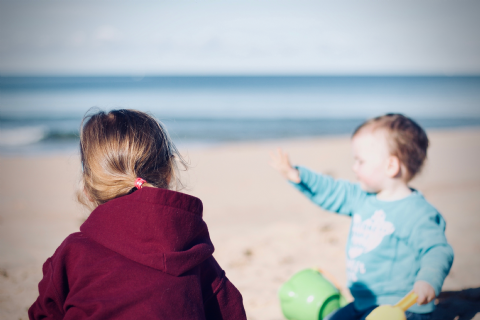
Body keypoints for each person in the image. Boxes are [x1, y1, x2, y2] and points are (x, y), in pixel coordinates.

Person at [29, 109, 246, 320]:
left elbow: (44, 313)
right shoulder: (193, 253)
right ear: (169, 172)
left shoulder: (73, 252)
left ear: (88, 187)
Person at [270, 114, 454, 320]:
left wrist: (428, 280)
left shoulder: (417, 212)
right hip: (363, 303)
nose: (353, 167)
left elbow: (437, 250)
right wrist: (299, 176)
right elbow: (332, 190)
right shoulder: (362, 197)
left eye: (360, 161)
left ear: (391, 166)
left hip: (402, 307)